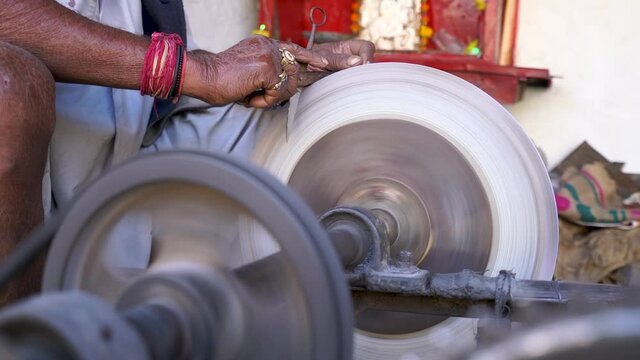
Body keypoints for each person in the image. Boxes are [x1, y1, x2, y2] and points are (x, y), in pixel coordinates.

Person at [0, 0, 375, 302]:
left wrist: (285, 73)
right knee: (11, 91)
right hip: (36, 221)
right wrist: (201, 71)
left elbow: (162, 85)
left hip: (112, 184)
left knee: (296, 133)